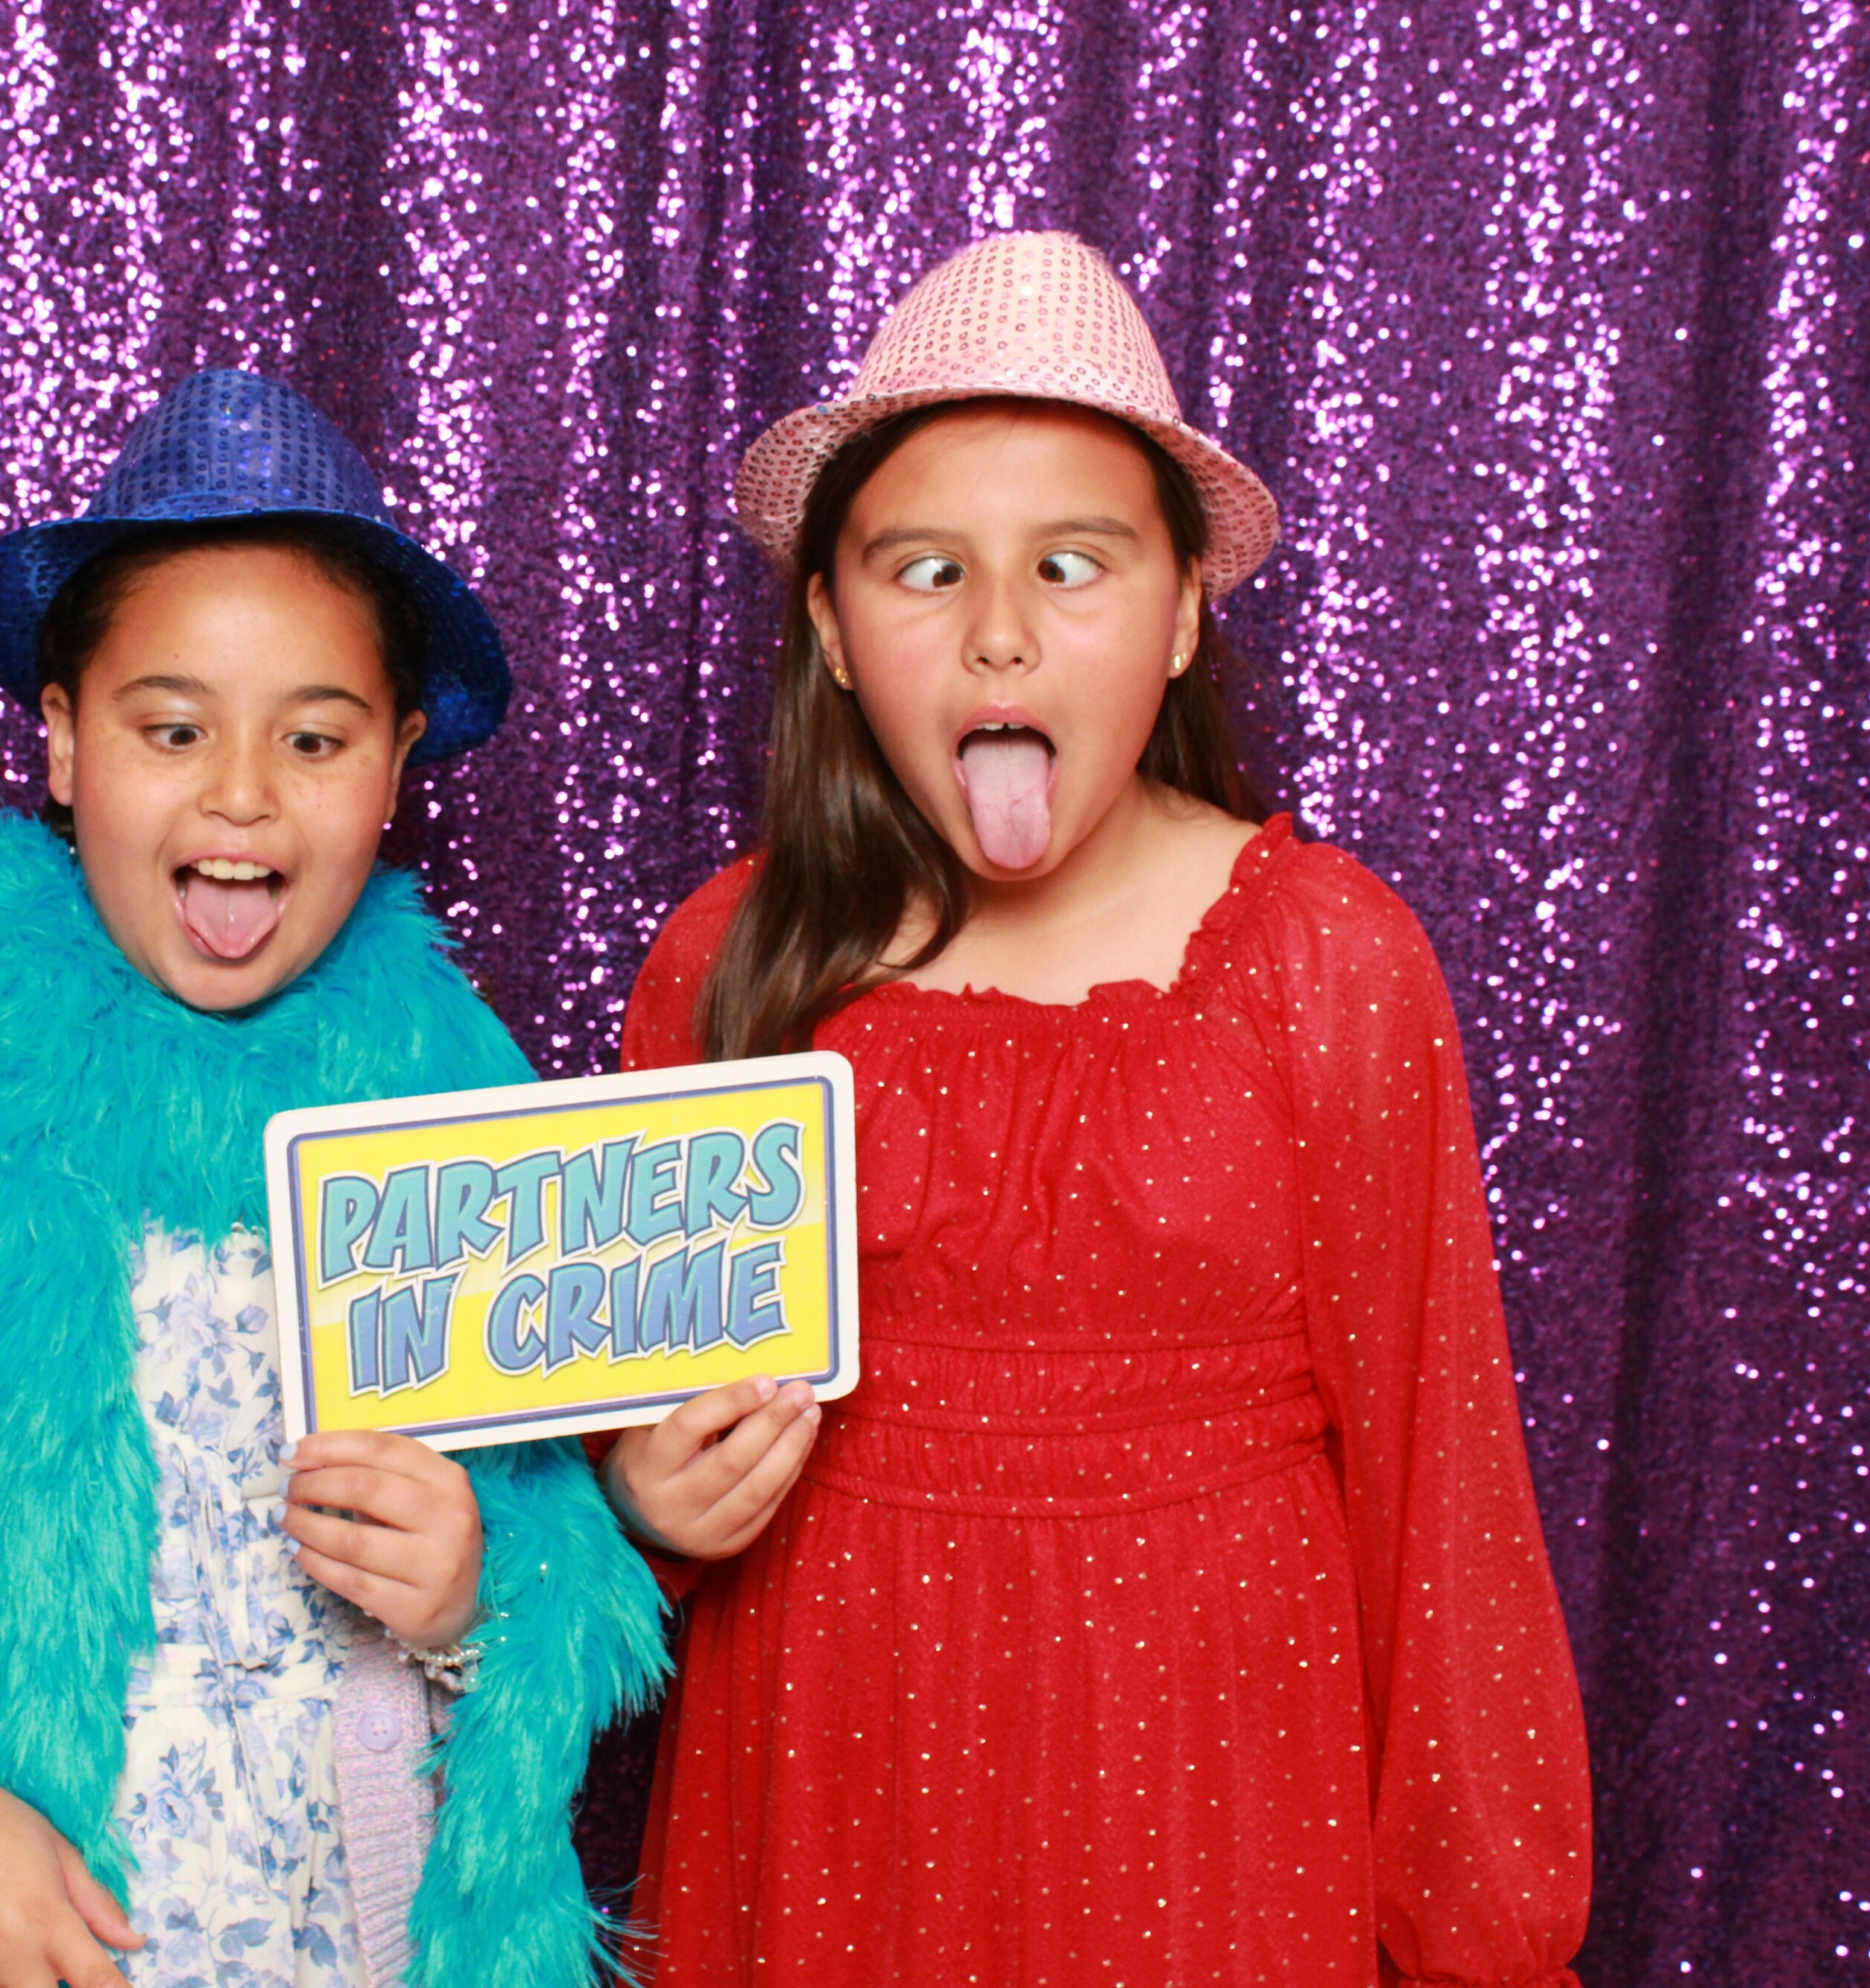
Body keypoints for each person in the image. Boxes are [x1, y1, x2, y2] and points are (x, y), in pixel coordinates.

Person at [0, 369, 666, 1988]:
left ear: (394, 766)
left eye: (314, 737)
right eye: (172, 727)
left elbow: (552, 1560)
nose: (241, 793)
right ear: (65, 740)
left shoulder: (460, 1125)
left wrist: (465, 1598)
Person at [599, 233, 1593, 1984]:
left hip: (1209, 1832)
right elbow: (592, 1494)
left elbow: (1438, 1500)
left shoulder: (1327, 962)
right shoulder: (724, 965)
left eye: (1071, 565)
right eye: (924, 570)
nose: (999, 630)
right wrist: (639, 1512)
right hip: (827, 1808)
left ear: (1184, 610)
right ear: (830, 627)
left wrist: (1481, 1940)